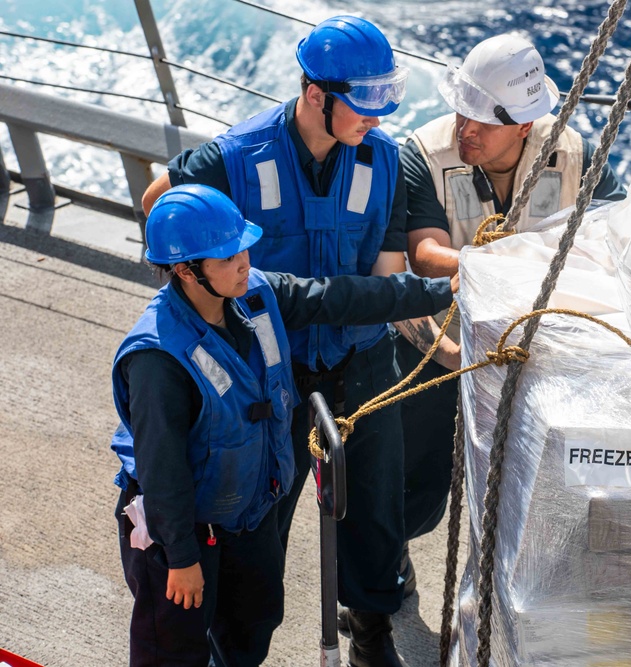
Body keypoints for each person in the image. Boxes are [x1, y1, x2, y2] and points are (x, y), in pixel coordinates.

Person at [140, 15, 435, 666]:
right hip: (275, 380)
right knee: (256, 532)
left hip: (362, 362)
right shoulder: (231, 158)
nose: (377, 121)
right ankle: (236, 651)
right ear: (313, 94)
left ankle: (371, 632)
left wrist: (438, 325)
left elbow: (386, 272)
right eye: (363, 108)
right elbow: (158, 202)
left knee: (375, 515)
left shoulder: (383, 158)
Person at [111, 184, 455, 666]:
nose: (243, 261)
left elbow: (343, 297)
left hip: (247, 515)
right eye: (228, 256)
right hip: (182, 532)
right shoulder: (158, 358)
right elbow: (161, 468)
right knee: (174, 650)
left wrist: (444, 290)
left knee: (254, 622)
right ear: (188, 271)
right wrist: (183, 558)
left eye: (243, 247)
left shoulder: (258, 295)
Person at [396, 34, 627, 549]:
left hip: (540, 353)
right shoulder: (422, 156)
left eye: (483, 121)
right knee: (417, 484)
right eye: (461, 112)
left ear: (525, 125)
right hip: (443, 349)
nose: (466, 129)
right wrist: (520, 264)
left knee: (544, 487)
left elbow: (618, 236)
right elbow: (425, 254)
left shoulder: (574, 154)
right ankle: (385, 581)